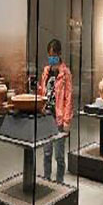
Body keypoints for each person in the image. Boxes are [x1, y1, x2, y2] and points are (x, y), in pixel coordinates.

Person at [38, 38, 73, 183]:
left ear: (59, 54)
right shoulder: (46, 72)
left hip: (58, 118)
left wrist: (67, 120)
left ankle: (59, 182)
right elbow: (43, 91)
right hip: (47, 116)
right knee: (47, 152)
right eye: (50, 55)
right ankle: (47, 179)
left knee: (59, 155)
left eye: (54, 55)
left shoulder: (65, 73)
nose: (51, 58)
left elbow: (68, 98)